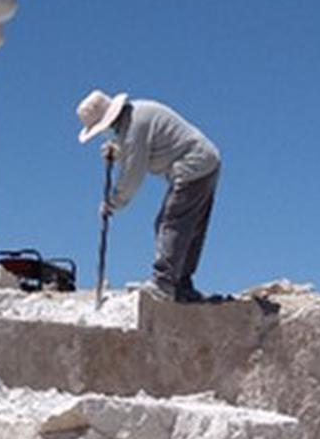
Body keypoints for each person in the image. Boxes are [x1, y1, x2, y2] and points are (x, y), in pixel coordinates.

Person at [76, 89, 221, 303]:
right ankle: (181, 284)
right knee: (189, 227)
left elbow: (133, 174)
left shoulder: (135, 126)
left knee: (170, 223)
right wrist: (119, 151)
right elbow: (139, 147)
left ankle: (163, 284)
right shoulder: (137, 114)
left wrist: (112, 202)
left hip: (193, 166)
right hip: (206, 163)